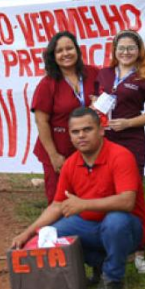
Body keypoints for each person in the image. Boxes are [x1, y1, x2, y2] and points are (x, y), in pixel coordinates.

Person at [11, 107, 145, 289]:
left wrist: (84, 205)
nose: (81, 136)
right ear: (70, 135)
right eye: (75, 132)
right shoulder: (70, 163)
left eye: (87, 129)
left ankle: (112, 279)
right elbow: (56, 206)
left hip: (128, 228)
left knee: (115, 222)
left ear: (101, 130)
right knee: (53, 233)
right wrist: (28, 232)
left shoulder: (121, 155)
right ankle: (99, 265)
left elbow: (127, 201)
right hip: (91, 226)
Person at [94, 30, 145, 274]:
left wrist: (127, 123)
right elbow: (96, 100)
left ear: (139, 50)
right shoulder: (105, 74)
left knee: (133, 194)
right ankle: (111, 246)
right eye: (121, 48)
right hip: (104, 141)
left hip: (131, 140)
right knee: (106, 191)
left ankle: (140, 251)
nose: (126, 52)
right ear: (114, 51)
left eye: (131, 47)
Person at [32, 31, 99, 204]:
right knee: (59, 200)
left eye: (69, 48)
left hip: (88, 150)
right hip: (58, 151)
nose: (65, 53)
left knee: (88, 197)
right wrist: (53, 155)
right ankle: (58, 231)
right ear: (53, 57)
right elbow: (41, 121)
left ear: (77, 50)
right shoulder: (47, 84)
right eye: (59, 51)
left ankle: (85, 231)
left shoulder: (93, 74)